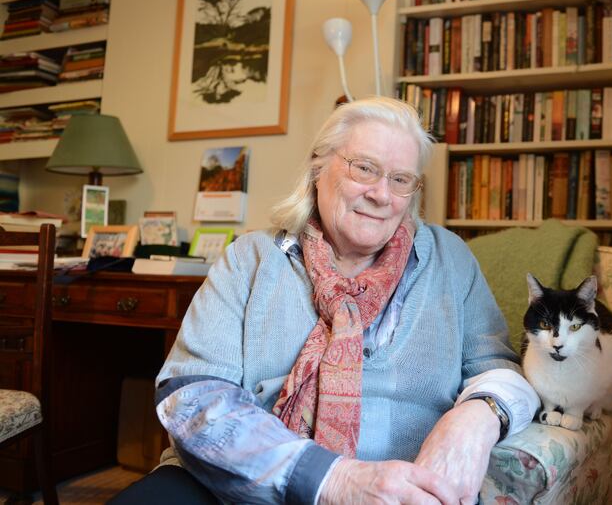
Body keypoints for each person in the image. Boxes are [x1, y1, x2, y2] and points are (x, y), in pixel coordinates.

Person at [111, 97, 540, 505]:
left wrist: (477, 418)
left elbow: (500, 369)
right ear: (319, 167)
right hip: (238, 486)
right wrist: (331, 478)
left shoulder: (449, 259)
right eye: (365, 168)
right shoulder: (251, 258)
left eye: (400, 179)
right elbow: (191, 396)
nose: (381, 195)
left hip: (400, 489)